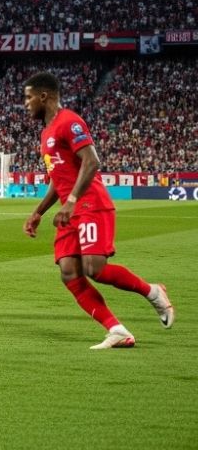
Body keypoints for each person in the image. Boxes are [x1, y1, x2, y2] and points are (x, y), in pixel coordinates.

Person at [21, 71, 174, 349]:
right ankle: (117, 330)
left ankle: (153, 292)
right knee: (69, 271)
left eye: (29, 97)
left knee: (95, 268)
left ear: (44, 96)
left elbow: (92, 161)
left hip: (90, 203)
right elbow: (58, 179)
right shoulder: (46, 133)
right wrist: (38, 212)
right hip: (70, 211)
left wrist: (72, 200)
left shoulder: (69, 122)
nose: (26, 103)